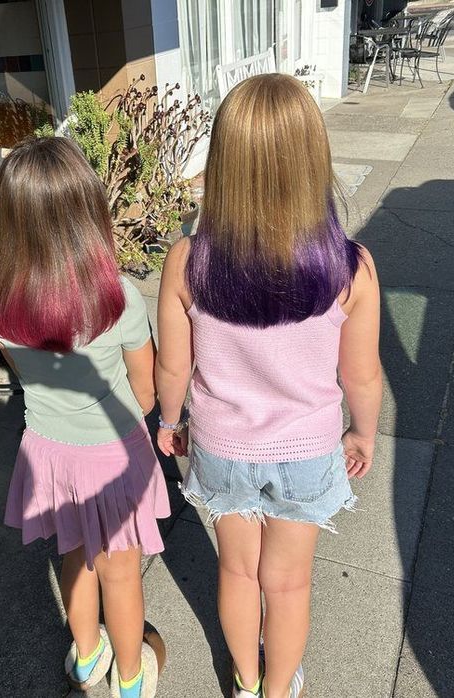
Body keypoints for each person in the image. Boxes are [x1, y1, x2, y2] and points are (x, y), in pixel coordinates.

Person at [155, 74, 382, 698]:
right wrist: (362, 431)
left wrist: (168, 421)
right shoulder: (350, 268)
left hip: (222, 446)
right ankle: (279, 690)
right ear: (315, 160)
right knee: (288, 583)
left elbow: (173, 369)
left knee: (236, 570)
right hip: (308, 450)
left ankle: (246, 680)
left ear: (222, 163)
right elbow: (361, 374)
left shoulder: (188, 260)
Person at [0, 137, 170, 698]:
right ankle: (132, 679)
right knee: (120, 571)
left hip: (48, 450)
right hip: (114, 456)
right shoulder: (119, 300)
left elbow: (24, 376)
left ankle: (88, 658)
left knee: (74, 555)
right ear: (90, 211)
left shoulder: (0, 298)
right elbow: (145, 389)